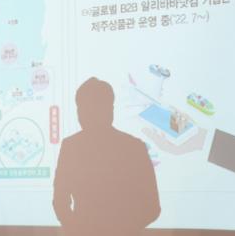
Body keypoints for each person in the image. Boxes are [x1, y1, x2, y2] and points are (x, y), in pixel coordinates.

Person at [53, 77, 161, 236]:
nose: (84, 114)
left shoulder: (134, 147)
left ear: (109, 110)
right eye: (81, 109)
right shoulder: (70, 147)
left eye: (90, 108)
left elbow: (152, 206)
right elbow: (60, 201)